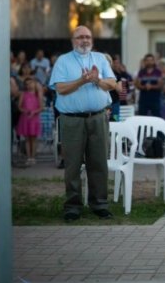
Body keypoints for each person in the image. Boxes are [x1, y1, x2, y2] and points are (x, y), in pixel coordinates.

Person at [49, 26, 117, 221]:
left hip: (98, 118)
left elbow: (112, 84)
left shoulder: (100, 59)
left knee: (99, 163)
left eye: (87, 37)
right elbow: (60, 88)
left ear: (92, 40)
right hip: (72, 121)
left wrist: (96, 80)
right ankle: (72, 206)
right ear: (73, 41)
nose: (84, 40)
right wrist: (81, 80)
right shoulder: (63, 61)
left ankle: (99, 204)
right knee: (72, 165)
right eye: (80, 37)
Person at [16, 76, 44, 166]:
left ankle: (33, 157)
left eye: (30, 83)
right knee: (27, 139)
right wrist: (25, 111)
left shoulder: (38, 94)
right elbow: (19, 107)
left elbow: (41, 107)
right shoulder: (23, 94)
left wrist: (34, 112)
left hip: (34, 119)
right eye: (27, 84)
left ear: (34, 83)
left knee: (34, 139)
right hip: (25, 118)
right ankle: (28, 157)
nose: (29, 85)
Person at [134, 53, 165, 117]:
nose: (149, 62)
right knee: (141, 117)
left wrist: (151, 86)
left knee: (157, 117)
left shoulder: (158, 72)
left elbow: (160, 85)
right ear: (145, 61)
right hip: (143, 99)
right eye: (147, 60)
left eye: (151, 60)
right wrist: (144, 87)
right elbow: (137, 84)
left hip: (155, 99)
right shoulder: (141, 72)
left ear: (154, 61)